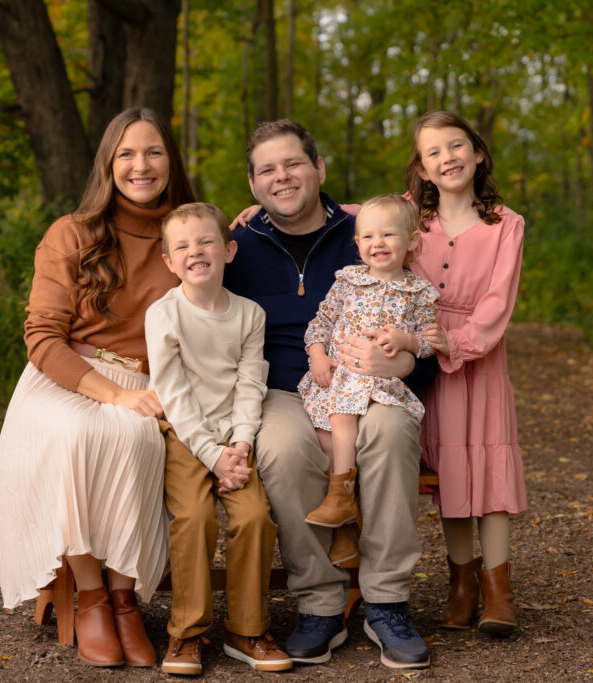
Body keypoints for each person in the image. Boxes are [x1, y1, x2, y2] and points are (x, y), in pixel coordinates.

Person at [0, 107, 195, 667]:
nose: (140, 165)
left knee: (137, 439)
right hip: (67, 378)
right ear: (108, 163)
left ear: (171, 161)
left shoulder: (190, 233)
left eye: (153, 152)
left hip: (149, 381)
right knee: (81, 435)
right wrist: (117, 394)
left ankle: (126, 600)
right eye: (126, 154)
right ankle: (92, 596)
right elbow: (42, 337)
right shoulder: (72, 232)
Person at [224, 119, 431, 670]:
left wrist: (405, 361)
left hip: (374, 386)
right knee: (281, 448)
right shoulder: (238, 248)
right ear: (252, 185)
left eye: (293, 163)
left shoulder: (366, 232)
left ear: (319, 168)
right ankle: (319, 602)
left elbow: (417, 320)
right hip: (282, 390)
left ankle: (387, 601)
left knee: (391, 431)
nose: (282, 177)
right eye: (267, 170)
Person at [144, 202, 292, 675]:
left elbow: (251, 384)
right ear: (169, 261)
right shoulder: (164, 315)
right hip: (186, 436)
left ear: (229, 251)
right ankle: (186, 631)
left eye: (206, 241)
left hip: (234, 439)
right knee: (194, 516)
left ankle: (247, 629)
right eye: (183, 246)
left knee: (255, 516)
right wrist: (211, 455)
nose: (195, 251)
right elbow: (173, 393)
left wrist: (242, 444)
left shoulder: (250, 314)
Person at [407, 111, 527, 637]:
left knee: (490, 465)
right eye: (433, 152)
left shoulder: (506, 223)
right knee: (450, 468)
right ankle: (462, 584)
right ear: (422, 169)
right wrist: (262, 208)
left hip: (480, 356)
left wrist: (458, 342)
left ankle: (498, 589)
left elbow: (498, 302)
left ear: (478, 153)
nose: (447, 158)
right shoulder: (412, 217)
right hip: (428, 363)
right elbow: (351, 216)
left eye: (456, 146)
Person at [298, 195, 438, 534]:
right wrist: (317, 355)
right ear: (358, 243)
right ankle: (346, 515)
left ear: (411, 242)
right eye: (369, 236)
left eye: (388, 234)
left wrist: (406, 342)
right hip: (339, 376)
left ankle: (340, 498)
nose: (378, 243)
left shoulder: (419, 292)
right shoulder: (347, 281)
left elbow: (428, 343)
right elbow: (320, 322)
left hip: (381, 381)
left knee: (345, 421)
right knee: (324, 436)